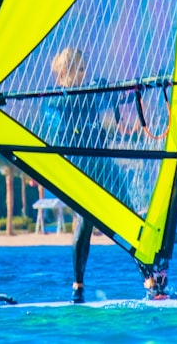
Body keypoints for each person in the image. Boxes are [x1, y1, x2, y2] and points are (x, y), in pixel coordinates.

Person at [46, 48, 121, 303]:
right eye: (78, 69)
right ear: (63, 74)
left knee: (128, 212)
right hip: (77, 167)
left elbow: (111, 98)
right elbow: (54, 127)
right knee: (84, 221)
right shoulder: (58, 100)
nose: (84, 73)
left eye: (84, 68)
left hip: (102, 163)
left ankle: (152, 278)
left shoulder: (92, 91)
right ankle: (78, 285)